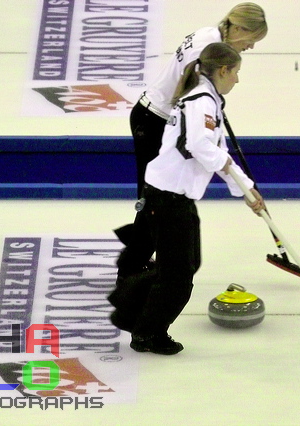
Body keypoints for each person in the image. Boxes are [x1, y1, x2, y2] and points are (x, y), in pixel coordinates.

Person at [108, 42, 265, 355]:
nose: (237, 80)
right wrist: (244, 186)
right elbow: (201, 147)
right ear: (223, 70)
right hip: (167, 199)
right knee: (178, 279)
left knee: (188, 264)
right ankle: (146, 333)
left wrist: (245, 191)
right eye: (235, 72)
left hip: (173, 197)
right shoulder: (201, 102)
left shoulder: (205, 99)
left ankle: (131, 301)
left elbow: (212, 152)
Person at [113, 3, 268, 279]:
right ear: (239, 28)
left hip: (157, 116)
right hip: (153, 120)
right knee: (155, 200)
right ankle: (130, 270)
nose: (252, 46)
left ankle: (135, 259)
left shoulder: (210, 37)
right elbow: (190, 108)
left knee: (154, 201)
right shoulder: (205, 51)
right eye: (252, 39)